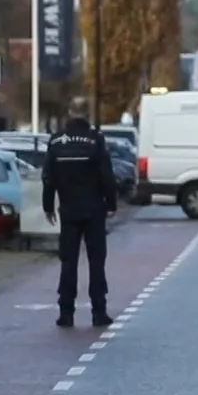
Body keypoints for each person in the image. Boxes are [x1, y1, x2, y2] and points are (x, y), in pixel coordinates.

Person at [43, 97, 118, 328]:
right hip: (94, 209)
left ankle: (66, 312)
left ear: (69, 112)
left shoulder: (57, 141)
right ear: (87, 114)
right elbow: (106, 174)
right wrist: (111, 203)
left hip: (68, 209)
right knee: (96, 262)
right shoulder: (95, 140)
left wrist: (48, 205)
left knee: (68, 261)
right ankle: (99, 312)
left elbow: (48, 177)